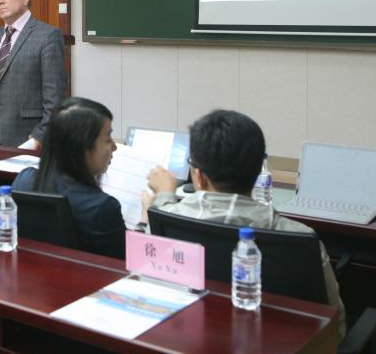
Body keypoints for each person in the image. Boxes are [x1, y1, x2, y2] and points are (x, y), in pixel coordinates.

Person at [147, 109, 346, 339]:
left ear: (198, 176)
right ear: (259, 170)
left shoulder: (167, 219)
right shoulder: (300, 236)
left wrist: (163, 196)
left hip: (194, 339)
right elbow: (335, 325)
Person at [12, 97, 125, 259]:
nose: (114, 146)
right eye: (108, 139)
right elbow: (129, 262)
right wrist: (144, 221)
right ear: (82, 147)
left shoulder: (24, 180)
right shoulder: (103, 208)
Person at [0, 0, 67, 147]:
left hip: (28, 135)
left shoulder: (47, 35)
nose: (0, 1)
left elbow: (55, 95)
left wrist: (40, 135)